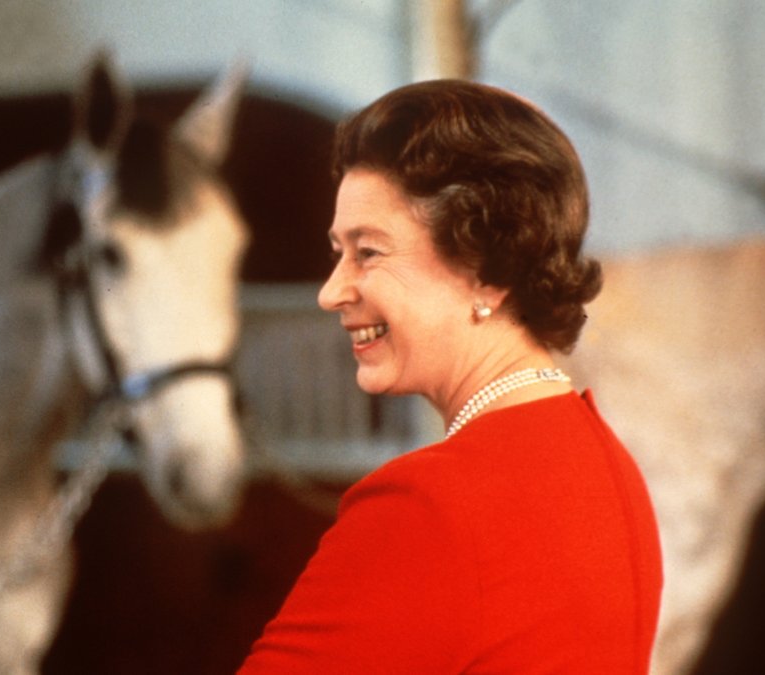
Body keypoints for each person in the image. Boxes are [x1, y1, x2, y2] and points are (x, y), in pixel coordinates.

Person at [238, 80, 663, 673]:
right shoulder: (607, 465)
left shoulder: (428, 507)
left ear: (488, 269)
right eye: (338, 251)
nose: (331, 292)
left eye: (369, 253)